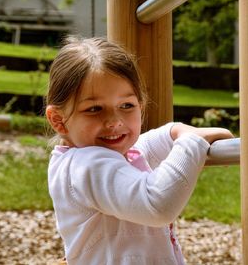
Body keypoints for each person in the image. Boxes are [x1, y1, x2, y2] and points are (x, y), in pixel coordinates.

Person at [45, 36, 234, 265]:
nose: (114, 121)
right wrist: (191, 142)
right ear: (58, 120)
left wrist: (175, 131)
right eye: (95, 109)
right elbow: (157, 205)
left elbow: (143, 147)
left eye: (127, 106)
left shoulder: (90, 158)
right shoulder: (87, 166)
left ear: (141, 106)